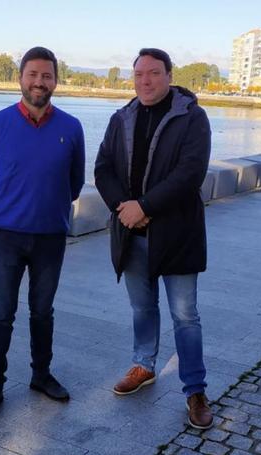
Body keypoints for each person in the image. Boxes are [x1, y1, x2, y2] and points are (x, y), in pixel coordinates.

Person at [94, 48, 213, 429]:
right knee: (142, 309)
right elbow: (102, 168)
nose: (145, 81)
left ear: (169, 76)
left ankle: (195, 390)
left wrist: (144, 205)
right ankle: (143, 366)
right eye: (138, 74)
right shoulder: (122, 117)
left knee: (185, 315)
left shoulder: (192, 118)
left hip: (176, 234)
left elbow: (190, 173)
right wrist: (122, 207)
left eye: (153, 73)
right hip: (132, 235)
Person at [0, 46, 85, 419]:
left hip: (50, 237)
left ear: (55, 80)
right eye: (33, 74)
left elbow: (76, 181)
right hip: (6, 236)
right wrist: (0, 213)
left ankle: (41, 375)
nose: (39, 82)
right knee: (1, 313)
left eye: (47, 75)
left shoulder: (71, 127)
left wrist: (50, 211)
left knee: (42, 311)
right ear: (20, 78)